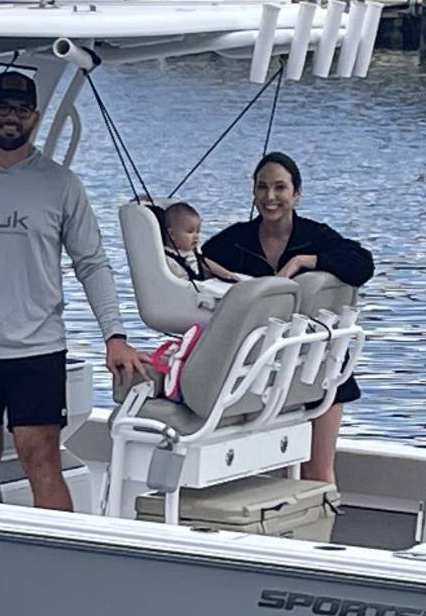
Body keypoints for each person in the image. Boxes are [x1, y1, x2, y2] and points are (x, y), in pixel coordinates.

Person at [0, 71, 145, 510]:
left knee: (42, 459)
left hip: (36, 348)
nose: (10, 118)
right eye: (1, 108)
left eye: (20, 110)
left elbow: (92, 263)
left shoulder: (60, 184)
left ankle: (60, 559)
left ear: (34, 117)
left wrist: (115, 335)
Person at [202, 151, 373, 484]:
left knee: (317, 469)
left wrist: (304, 262)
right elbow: (196, 260)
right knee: (269, 471)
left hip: (319, 365)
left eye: (280, 188)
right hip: (261, 369)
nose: (270, 197)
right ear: (253, 192)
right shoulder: (236, 240)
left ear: (296, 193)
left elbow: (362, 264)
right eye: (262, 187)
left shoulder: (315, 236)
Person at [160, 202, 244, 284]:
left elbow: (206, 262)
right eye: (190, 231)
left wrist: (227, 274)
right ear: (171, 234)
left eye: (198, 232)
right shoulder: (167, 260)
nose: (196, 236)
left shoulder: (195, 251)